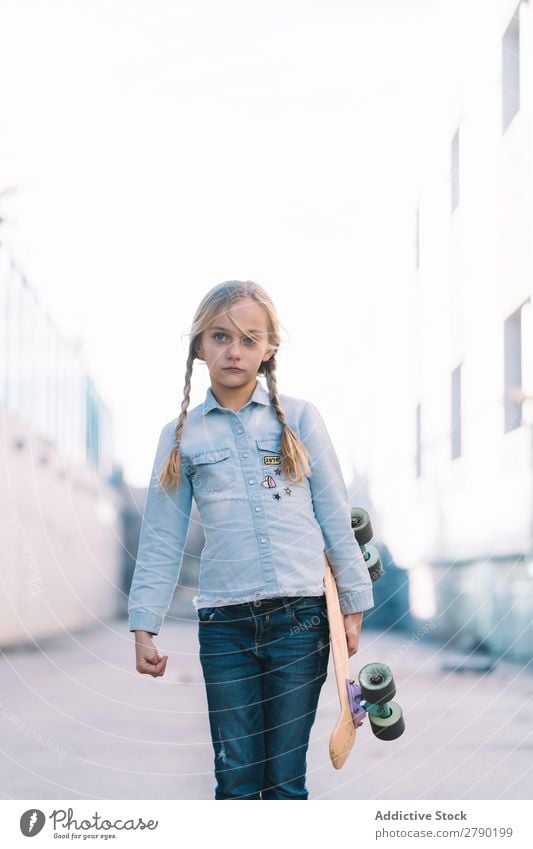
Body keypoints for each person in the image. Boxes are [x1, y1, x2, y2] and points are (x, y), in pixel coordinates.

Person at [128, 280, 374, 800]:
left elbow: (333, 514)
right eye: (220, 336)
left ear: (268, 350)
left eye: (248, 338)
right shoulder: (180, 439)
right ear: (199, 346)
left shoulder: (302, 419)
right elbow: (161, 537)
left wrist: (352, 604)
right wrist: (144, 625)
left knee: (284, 779)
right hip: (226, 628)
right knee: (236, 777)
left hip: (302, 621)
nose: (233, 350)